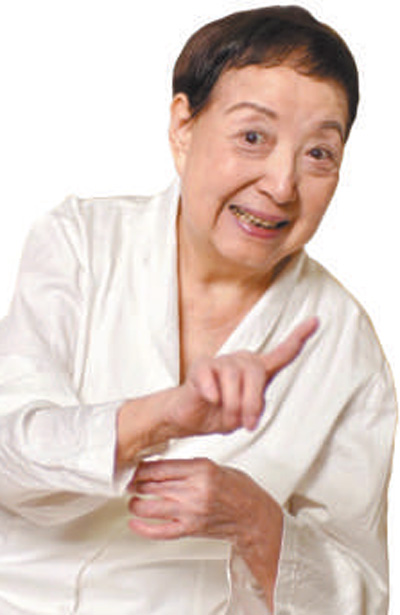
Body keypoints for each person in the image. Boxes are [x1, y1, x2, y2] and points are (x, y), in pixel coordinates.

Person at [0, 5, 396, 615]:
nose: (282, 186)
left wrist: (258, 522)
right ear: (183, 126)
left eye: (319, 153)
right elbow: (9, 450)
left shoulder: (345, 346)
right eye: (253, 137)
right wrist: (160, 418)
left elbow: (360, 598)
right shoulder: (81, 243)